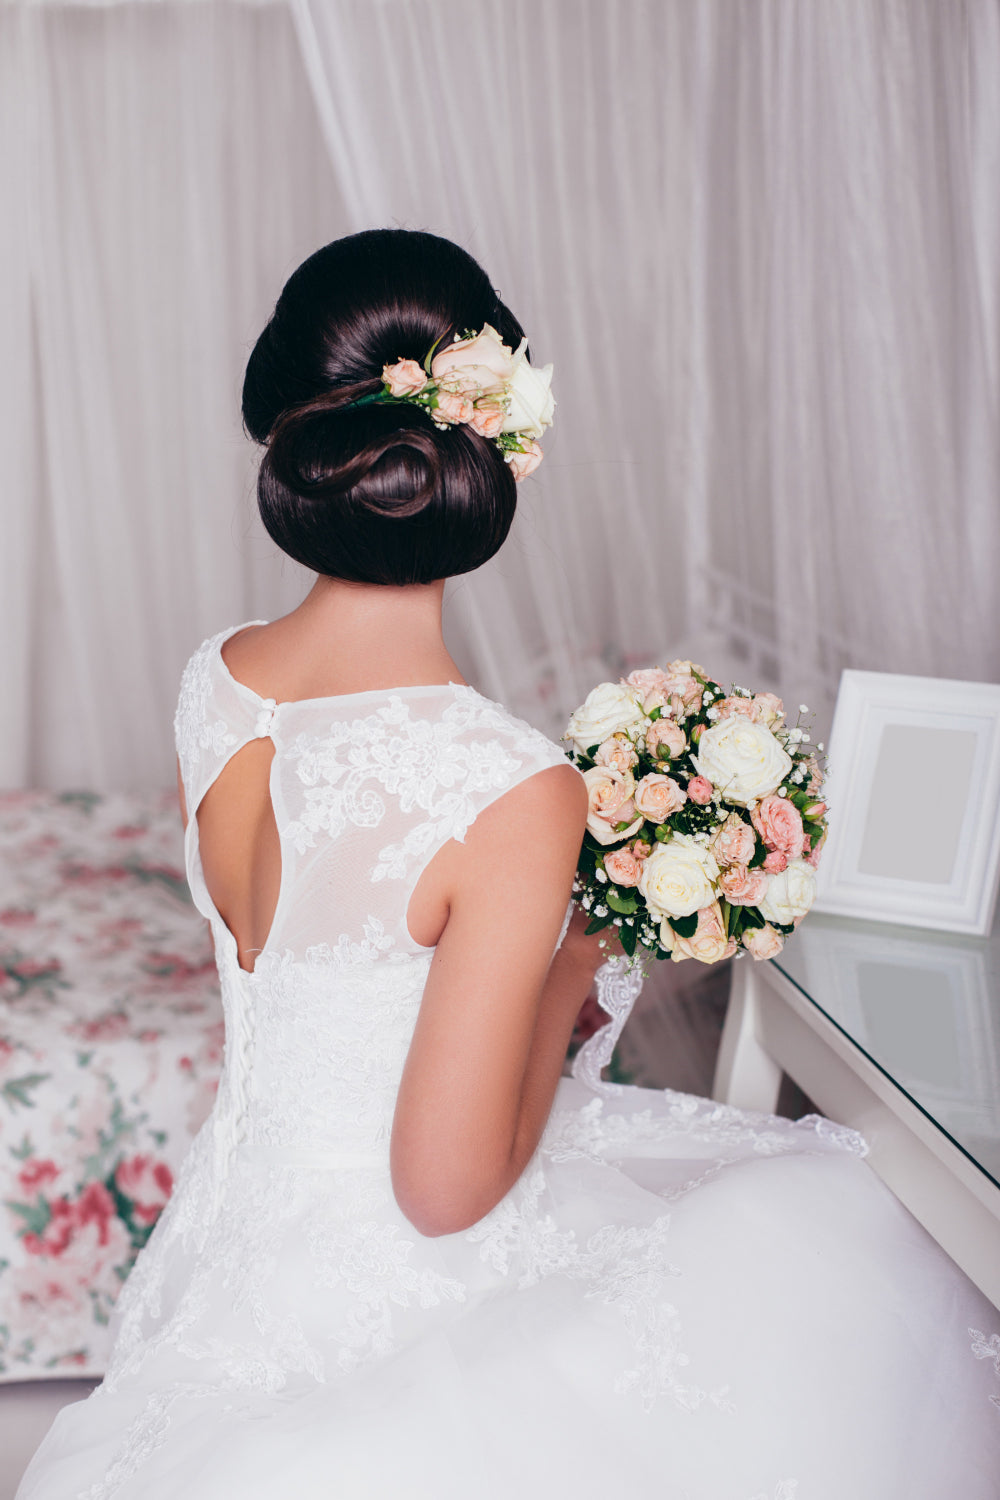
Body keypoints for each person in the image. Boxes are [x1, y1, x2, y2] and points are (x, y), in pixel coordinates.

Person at [17, 229, 999, 1500]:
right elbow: (442, 1194)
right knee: (843, 1241)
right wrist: (579, 951)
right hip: (391, 1289)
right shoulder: (508, 787)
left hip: (231, 1250)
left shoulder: (217, 676)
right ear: (491, 451)